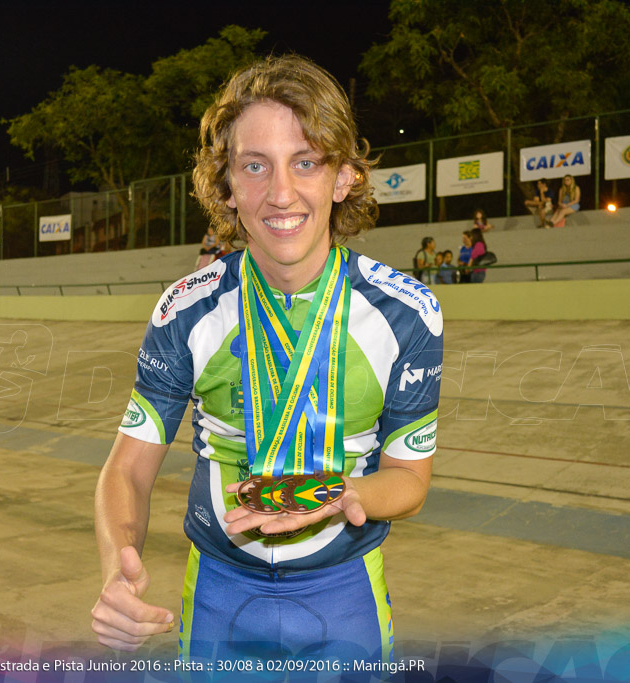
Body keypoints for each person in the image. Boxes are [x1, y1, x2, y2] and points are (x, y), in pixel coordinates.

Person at [91, 55, 442, 669]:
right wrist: (116, 571)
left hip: (347, 594)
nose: (281, 193)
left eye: (306, 162)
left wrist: (343, 493)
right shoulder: (187, 310)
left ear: (344, 178)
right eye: (256, 166)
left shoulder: (408, 314)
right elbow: (127, 472)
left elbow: (410, 480)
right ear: (226, 185)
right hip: (219, 600)